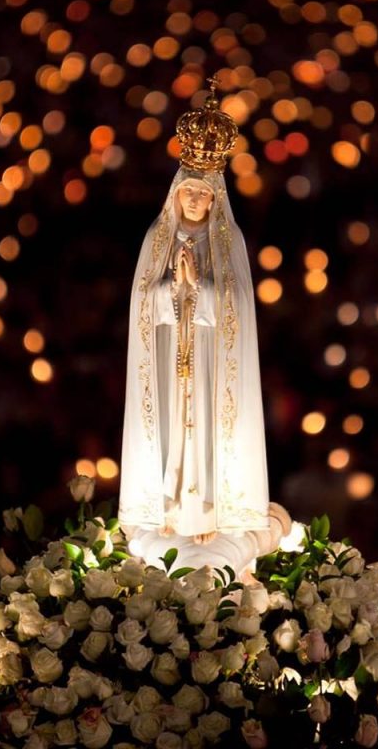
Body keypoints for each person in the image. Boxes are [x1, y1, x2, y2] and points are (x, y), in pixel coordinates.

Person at [119, 84, 270, 546]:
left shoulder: (228, 243)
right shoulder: (157, 238)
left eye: (203, 196)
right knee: (171, 422)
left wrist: (200, 287)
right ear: (176, 193)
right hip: (169, 354)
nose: (194, 201)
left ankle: (205, 509)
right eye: (188, 192)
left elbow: (238, 305)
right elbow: (142, 301)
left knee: (204, 423)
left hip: (208, 358)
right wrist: (172, 288)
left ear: (214, 199)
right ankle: (166, 505)